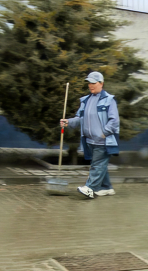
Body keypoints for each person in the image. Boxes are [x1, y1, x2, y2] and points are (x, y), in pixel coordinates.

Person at [60, 71, 120, 199]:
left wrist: (104, 133)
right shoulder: (85, 100)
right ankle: (106, 187)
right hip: (89, 141)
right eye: (89, 83)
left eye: (93, 82)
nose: (90, 85)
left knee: (97, 165)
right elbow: (79, 118)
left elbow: (114, 121)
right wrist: (68, 122)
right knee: (100, 164)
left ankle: (90, 188)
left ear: (101, 83)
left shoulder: (109, 100)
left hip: (103, 141)